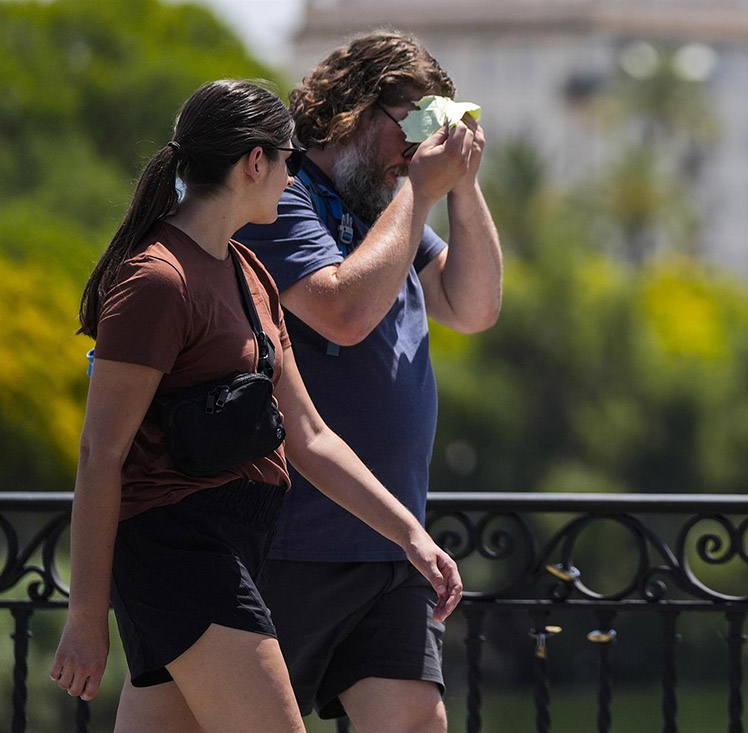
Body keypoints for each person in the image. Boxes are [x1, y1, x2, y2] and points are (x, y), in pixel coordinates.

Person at [49, 79, 463, 733]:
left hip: (241, 545)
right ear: (254, 163)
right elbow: (102, 453)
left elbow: (310, 435)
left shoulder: (250, 273)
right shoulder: (156, 279)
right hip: (179, 552)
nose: (293, 177)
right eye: (289, 160)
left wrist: (409, 534)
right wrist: (85, 616)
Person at [232, 30, 502, 731]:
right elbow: (341, 311)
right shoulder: (279, 198)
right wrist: (419, 189)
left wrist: (461, 190)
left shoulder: (390, 212)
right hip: (292, 539)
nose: (418, 147)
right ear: (354, 108)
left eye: (436, 125)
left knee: (418, 722)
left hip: (390, 539)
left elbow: (472, 306)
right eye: (412, 121)